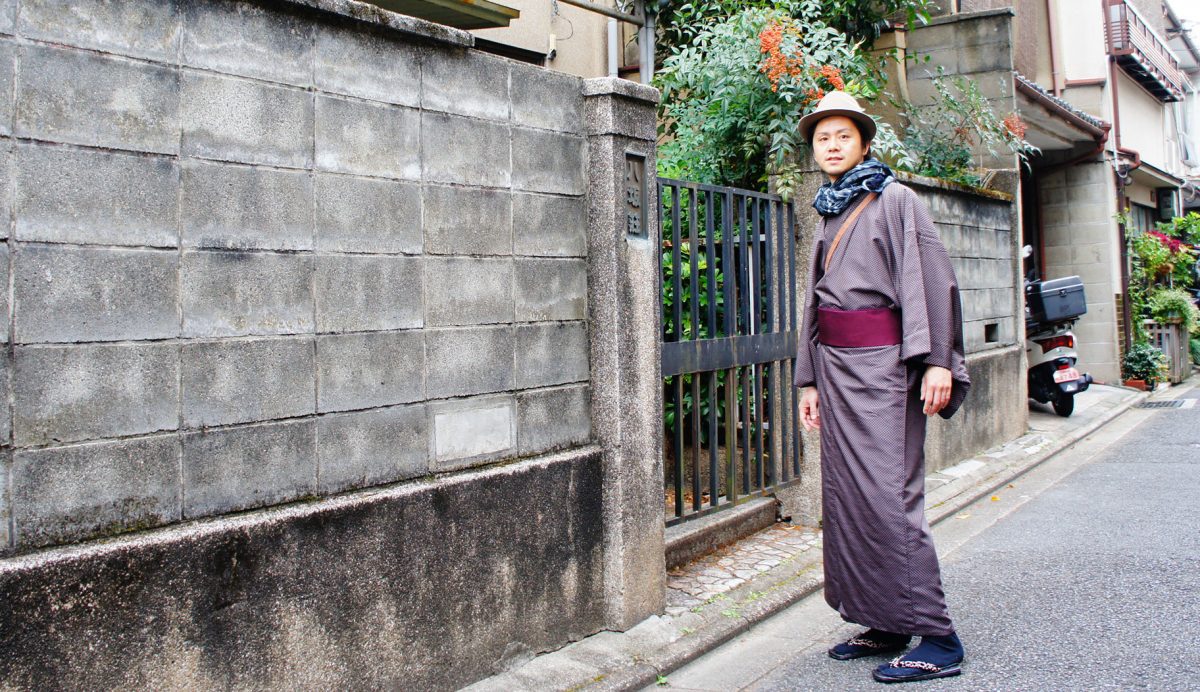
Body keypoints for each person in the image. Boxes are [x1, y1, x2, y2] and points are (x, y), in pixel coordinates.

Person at [792, 91, 971, 684]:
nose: (833, 145)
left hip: (886, 368)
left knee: (891, 495)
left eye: (844, 136)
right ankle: (886, 619)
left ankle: (938, 636)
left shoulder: (897, 200)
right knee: (848, 497)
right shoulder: (830, 208)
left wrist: (938, 361)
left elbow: (933, 280)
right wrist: (809, 378)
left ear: (865, 143)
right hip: (837, 368)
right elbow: (815, 301)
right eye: (823, 137)